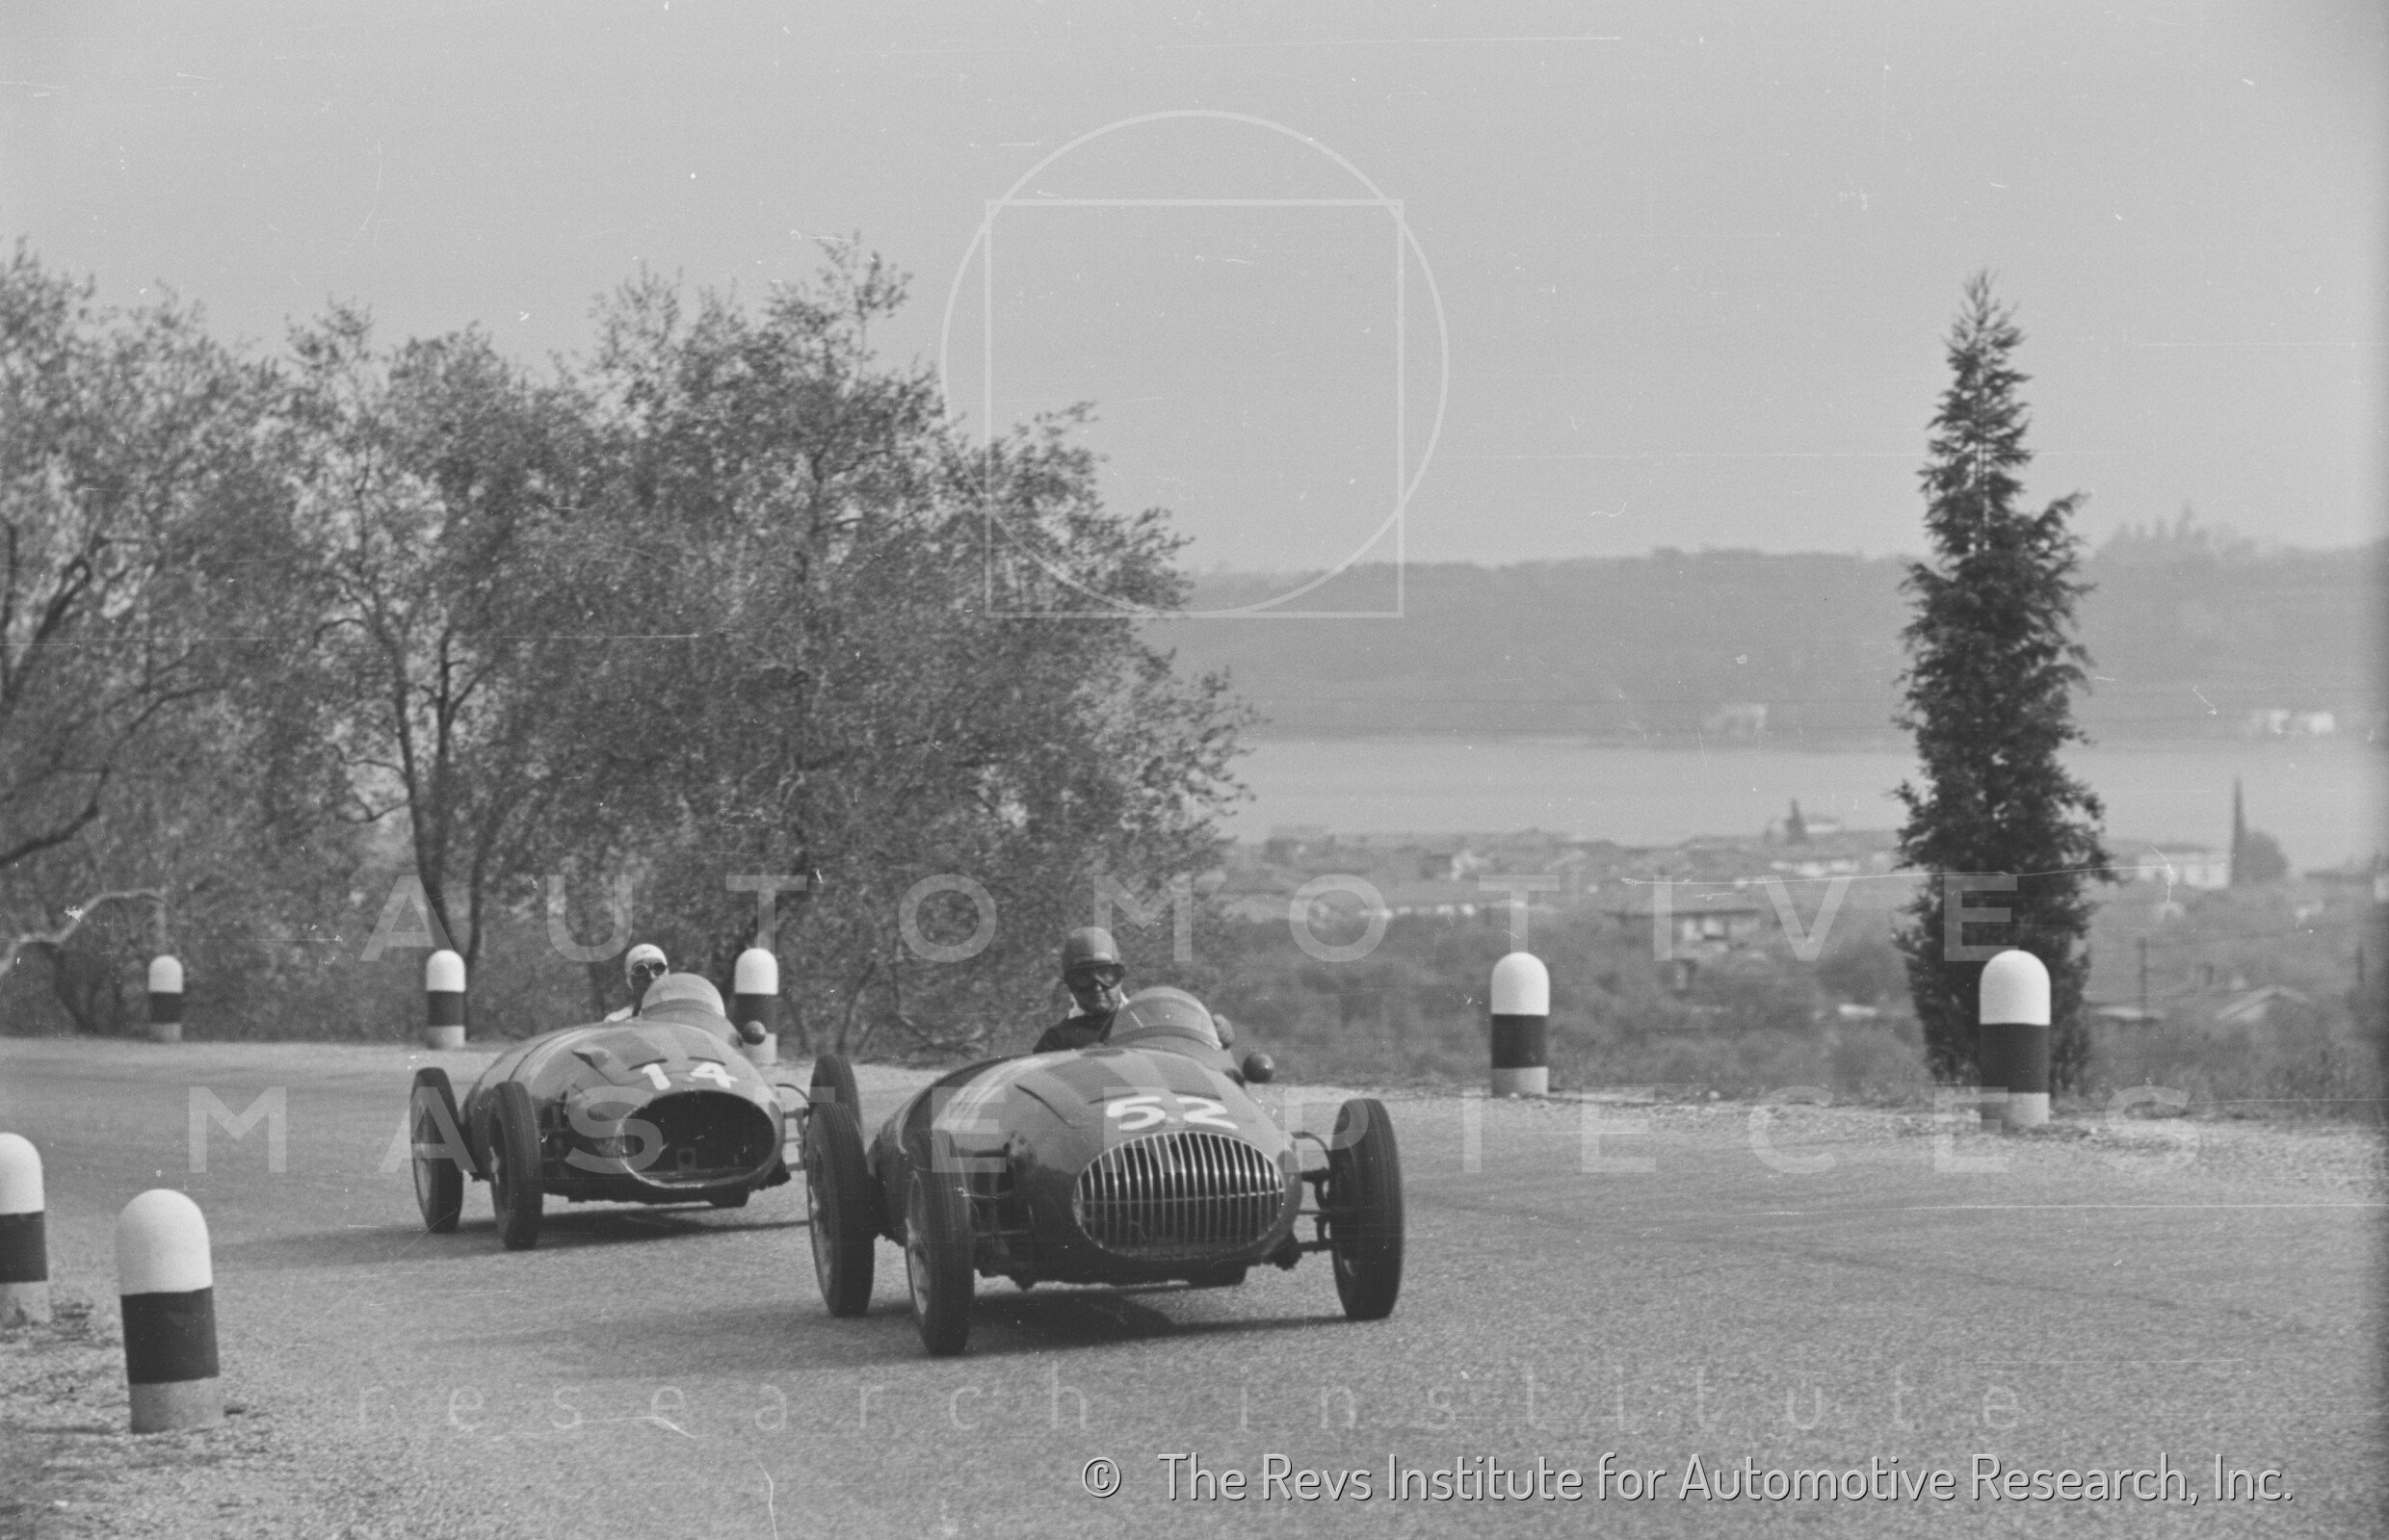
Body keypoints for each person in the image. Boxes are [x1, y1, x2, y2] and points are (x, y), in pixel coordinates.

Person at [1033, 927, 1127, 1053]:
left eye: (1105, 974)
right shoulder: (1056, 1041)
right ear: (1071, 985)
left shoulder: (1145, 1020)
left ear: (1119, 977)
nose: (1097, 987)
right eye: (1084, 978)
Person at [605, 943, 669, 1022]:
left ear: (667, 974)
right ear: (629, 981)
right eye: (641, 970)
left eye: (658, 968)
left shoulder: (680, 1009)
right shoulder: (617, 1020)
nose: (651, 977)